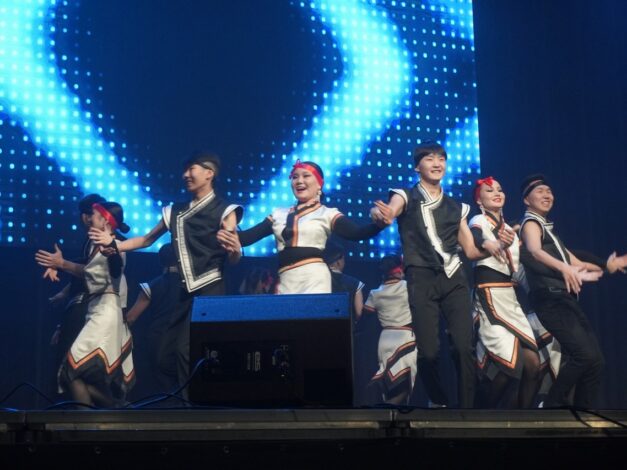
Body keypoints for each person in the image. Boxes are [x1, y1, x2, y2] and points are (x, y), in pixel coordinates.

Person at [88, 152, 242, 398]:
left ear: (209, 173)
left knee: (186, 350)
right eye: (185, 170)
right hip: (184, 290)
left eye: (191, 169)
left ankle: (191, 407)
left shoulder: (226, 210)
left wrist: (235, 251)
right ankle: (184, 399)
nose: (185, 175)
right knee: (162, 356)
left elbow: (232, 256)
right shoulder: (175, 211)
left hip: (211, 288)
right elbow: (146, 239)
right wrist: (114, 244)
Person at [371, 141, 500, 408]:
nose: (437, 163)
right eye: (430, 159)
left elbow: (471, 251)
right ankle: (439, 401)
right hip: (421, 278)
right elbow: (391, 210)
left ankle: (467, 411)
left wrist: (494, 246)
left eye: (441, 158)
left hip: (454, 278)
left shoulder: (456, 207)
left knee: (463, 348)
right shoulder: (405, 195)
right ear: (417, 167)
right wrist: (382, 214)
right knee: (428, 353)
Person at [519, 174, 627, 408]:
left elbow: (577, 262)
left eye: (549, 191)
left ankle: (582, 413)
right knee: (584, 356)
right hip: (550, 300)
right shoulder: (530, 224)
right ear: (527, 200)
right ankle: (551, 406)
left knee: (596, 361)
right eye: (540, 192)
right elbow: (535, 251)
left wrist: (608, 266)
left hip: (565, 301)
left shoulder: (549, 231)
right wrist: (565, 268)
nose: (547, 195)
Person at [217, 160, 385, 294]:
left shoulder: (327, 213)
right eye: (295, 177)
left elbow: (356, 233)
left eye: (306, 176)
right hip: (285, 279)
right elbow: (246, 238)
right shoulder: (278, 214)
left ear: (319, 184)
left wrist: (378, 224)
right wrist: (227, 220)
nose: (299, 181)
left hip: (314, 278)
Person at [36, 202, 134, 407]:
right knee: (76, 374)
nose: (89, 219)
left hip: (106, 313)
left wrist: (61, 264)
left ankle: (90, 419)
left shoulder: (115, 246)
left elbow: (107, 269)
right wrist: (58, 265)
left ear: (105, 222)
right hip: (96, 310)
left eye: (94, 216)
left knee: (71, 370)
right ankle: (114, 406)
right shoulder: (93, 246)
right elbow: (85, 265)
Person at [469, 177, 541, 408]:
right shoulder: (478, 219)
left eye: (500, 189)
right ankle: (480, 414)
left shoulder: (510, 230)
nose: (497, 193)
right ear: (479, 200)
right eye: (489, 191)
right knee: (511, 366)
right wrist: (488, 243)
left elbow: (518, 267)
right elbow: (475, 237)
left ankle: (523, 419)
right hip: (489, 295)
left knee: (533, 363)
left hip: (510, 298)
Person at [125, 243, 181, 393]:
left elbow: (131, 318)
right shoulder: (190, 288)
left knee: (162, 387)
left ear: (160, 261)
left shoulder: (151, 286)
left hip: (158, 339)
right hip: (181, 338)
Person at [362, 255, 417, 405]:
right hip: (404, 337)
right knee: (405, 383)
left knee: (389, 383)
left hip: (385, 339)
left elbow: (364, 314)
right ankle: (385, 409)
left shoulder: (375, 293)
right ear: (399, 269)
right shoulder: (407, 287)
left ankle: (386, 409)